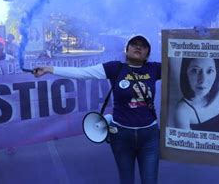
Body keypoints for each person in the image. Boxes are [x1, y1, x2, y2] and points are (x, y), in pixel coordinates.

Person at [32, 35, 160, 184]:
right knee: (126, 180)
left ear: (147, 54)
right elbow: (83, 73)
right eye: (134, 44)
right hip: (121, 135)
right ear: (126, 50)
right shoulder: (115, 68)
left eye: (143, 46)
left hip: (149, 136)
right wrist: (49, 69)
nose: (138, 47)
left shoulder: (155, 69)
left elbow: (183, 61)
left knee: (150, 180)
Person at [173, 58, 219, 133]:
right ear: (185, 73)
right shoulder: (182, 111)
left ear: (216, 73)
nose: (203, 80)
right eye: (195, 71)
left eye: (210, 71)